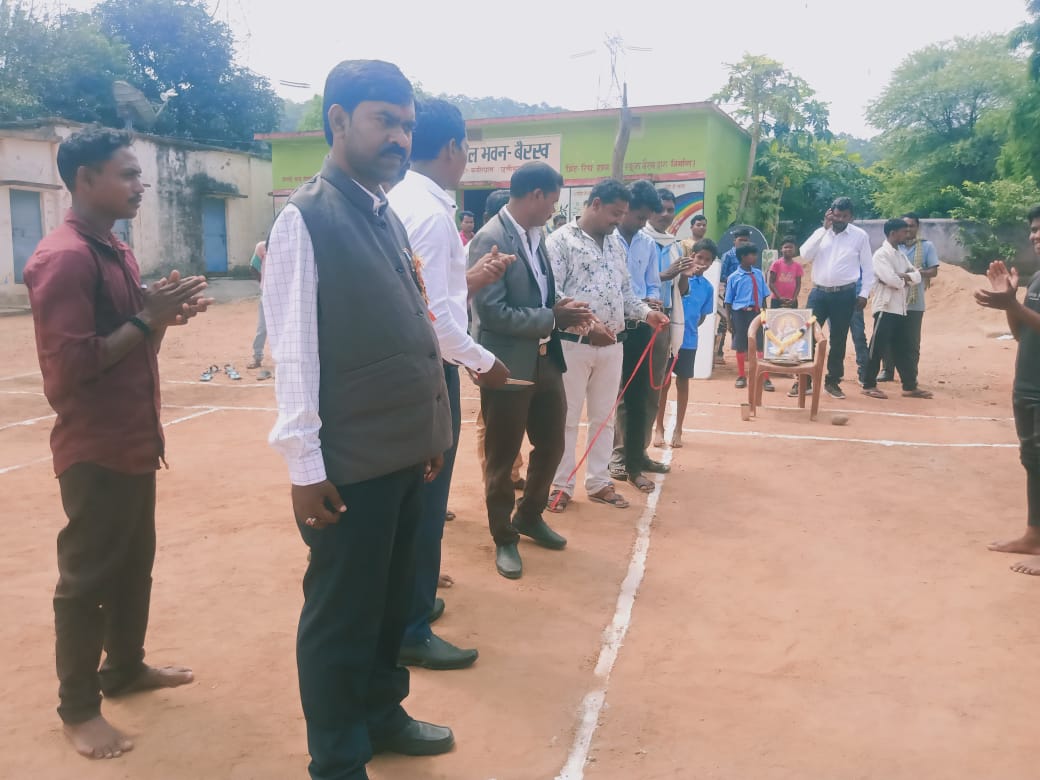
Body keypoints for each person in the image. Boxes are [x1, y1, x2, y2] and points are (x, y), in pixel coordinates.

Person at [263, 60, 457, 780]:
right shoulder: (306, 218)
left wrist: (428, 435)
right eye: (385, 120)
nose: (400, 137)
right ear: (338, 121)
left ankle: (382, 713)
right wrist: (304, 467)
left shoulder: (383, 212)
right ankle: (338, 757)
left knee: (389, 605)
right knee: (343, 616)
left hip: (403, 453)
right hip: (349, 466)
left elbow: (412, 326)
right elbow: (294, 353)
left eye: (407, 125)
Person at [22, 127, 208, 760]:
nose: (140, 185)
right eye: (126, 174)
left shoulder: (116, 250)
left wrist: (160, 318)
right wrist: (146, 317)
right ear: (84, 180)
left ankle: (124, 667)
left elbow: (136, 344)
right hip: (95, 448)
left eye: (139, 174)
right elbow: (70, 370)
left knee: (133, 565)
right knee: (87, 580)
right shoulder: (65, 259)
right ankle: (78, 709)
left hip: (134, 439)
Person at [387, 98, 512, 668]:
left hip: (402, 369)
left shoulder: (399, 200)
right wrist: (483, 361)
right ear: (455, 148)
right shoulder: (434, 214)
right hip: (428, 371)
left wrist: (468, 280)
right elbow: (434, 319)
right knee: (425, 501)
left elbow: (422, 293)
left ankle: (410, 605)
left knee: (413, 499)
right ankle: (410, 627)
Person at [470, 162, 592, 579]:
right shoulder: (491, 238)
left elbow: (539, 297)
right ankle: (503, 536)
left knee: (553, 444)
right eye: (552, 201)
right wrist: (552, 317)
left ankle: (529, 515)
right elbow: (492, 313)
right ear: (535, 195)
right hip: (508, 365)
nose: (554, 210)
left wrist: (561, 309)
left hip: (545, 360)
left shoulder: (535, 236)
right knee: (503, 457)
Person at [547, 180, 669, 512]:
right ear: (596, 204)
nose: (619, 220)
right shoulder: (560, 241)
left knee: (604, 417)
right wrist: (589, 328)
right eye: (615, 213)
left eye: (623, 214)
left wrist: (646, 314)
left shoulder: (615, 245)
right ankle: (560, 486)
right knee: (567, 418)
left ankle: (599, 482)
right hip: (572, 345)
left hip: (613, 345)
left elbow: (625, 293)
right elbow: (554, 295)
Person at [975, 206, 1040, 574]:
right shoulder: (1038, 278)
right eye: (1033, 229)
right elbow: (1021, 334)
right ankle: (1034, 536)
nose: (1035, 235)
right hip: (1028, 382)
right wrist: (1009, 303)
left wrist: (1012, 302)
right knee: (1033, 461)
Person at [609, 180, 670, 492]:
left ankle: (637, 456)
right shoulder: (608, 240)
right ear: (625, 209)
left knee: (641, 394)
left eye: (646, 218)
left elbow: (652, 283)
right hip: (614, 328)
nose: (642, 222)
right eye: (639, 216)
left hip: (643, 326)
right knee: (617, 395)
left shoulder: (647, 243)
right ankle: (618, 457)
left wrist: (652, 301)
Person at [474, 188, 526, 489]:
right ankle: (492, 476)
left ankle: (512, 471)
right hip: (485, 342)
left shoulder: (517, 241)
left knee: (510, 413)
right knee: (488, 417)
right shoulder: (484, 244)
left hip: (512, 341)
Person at [799, 197, 874, 400]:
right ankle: (804, 380)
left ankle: (832, 382)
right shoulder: (821, 233)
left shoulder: (860, 236)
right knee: (807, 336)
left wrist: (864, 293)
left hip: (845, 294)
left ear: (851, 217)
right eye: (837, 215)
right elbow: (804, 254)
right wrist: (824, 229)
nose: (839, 219)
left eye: (844, 216)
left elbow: (868, 268)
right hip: (818, 293)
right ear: (830, 214)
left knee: (838, 339)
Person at [860, 219, 932, 400]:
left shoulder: (900, 255)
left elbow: (917, 275)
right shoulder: (881, 255)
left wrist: (903, 277)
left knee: (902, 348)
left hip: (900, 308)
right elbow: (893, 280)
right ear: (893, 233)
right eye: (903, 231)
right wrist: (905, 279)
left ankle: (909, 386)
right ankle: (868, 384)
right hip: (885, 308)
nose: (907, 234)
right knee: (877, 347)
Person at [645, 188, 690, 448]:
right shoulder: (639, 240)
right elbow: (633, 282)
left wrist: (685, 273)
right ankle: (643, 434)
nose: (665, 214)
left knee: (661, 379)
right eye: (660, 209)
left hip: (667, 318)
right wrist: (666, 274)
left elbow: (681, 290)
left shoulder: (675, 245)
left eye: (670, 210)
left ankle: (657, 428)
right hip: (643, 318)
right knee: (638, 380)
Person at [660, 240, 715, 448]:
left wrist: (687, 327)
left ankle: (678, 429)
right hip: (668, 337)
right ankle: (659, 428)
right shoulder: (677, 279)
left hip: (689, 340)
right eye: (699, 257)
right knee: (663, 383)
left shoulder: (708, 287)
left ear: (711, 263)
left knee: (683, 382)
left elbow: (702, 316)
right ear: (692, 256)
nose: (702, 262)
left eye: (707, 260)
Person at [877, 212, 940, 383]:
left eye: (911, 226)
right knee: (889, 338)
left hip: (914, 302)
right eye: (905, 227)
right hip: (893, 301)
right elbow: (886, 274)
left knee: (911, 342)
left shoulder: (926, 246)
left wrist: (912, 274)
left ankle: (911, 375)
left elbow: (933, 271)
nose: (908, 230)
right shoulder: (893, 248)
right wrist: (908, 275)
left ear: (917, 227)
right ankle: (887, 370)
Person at [725, 244, 772, 391]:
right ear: (743, 257)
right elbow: (728, 301)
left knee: (760, 344)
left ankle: (765, 377)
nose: (755, 257)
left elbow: (764, 296)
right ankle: (741, 376)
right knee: (740, 344)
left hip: (756, 313)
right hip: (740, 313)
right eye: (752, 254)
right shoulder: (733, 277)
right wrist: (729, 321)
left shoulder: (758, 274)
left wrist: (765, 314)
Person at [716, 227, 751, 364]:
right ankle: (718, 352)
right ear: (734, 241)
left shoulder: (749, 256)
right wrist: (735, 281)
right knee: (725, 322)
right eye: (740, 240)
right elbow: (721, 275)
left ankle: (744, 351)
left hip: (745, 295)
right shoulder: (728, 256)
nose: (743, 243)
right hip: (730, 295)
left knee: (745, 322)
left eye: (746, 241)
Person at [247, 240, 268, 369]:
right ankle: (257, 357)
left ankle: (286, 361)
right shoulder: (262, 246)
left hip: (287, 294)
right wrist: (264, 282)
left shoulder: (292, 245)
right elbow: (253, 267)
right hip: (267, 293)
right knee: (262, 327)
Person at [768, 236, 803, 308]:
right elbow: (771, 283)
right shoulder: (776, 264)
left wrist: (794, 298)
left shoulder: (798, 266)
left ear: (795, 249)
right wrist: (779, 297)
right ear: (781, 249)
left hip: (792, 301)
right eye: (786, 247)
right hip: (776, 300)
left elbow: (798, 284)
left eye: (791, 247)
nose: (788, 249)